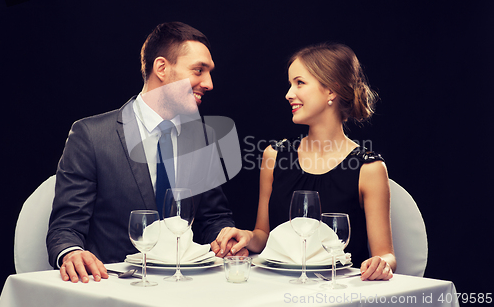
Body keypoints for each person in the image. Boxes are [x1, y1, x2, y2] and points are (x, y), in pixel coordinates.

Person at [47, 22, 247, 284]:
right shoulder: (90, 135)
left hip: (187, 285)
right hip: (115, 287)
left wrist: (227, 239)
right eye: (199, 70)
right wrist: (71, 252)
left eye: (209, 72)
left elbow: (213, 217)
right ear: (161, 68)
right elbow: (66, 227)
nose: (209, 83)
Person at [212, 43, 396, 281]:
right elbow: (263, 234)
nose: (289, 94)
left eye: (299, 83)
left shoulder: (369, 168)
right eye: (290, 84)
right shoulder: (274, 156)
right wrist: (247, 236)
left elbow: (386, 255)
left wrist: (382, 264)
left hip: (340, 293)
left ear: (332, 91)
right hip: (277, 288)